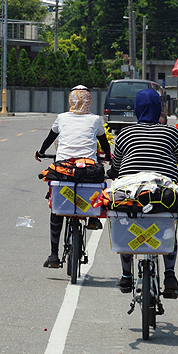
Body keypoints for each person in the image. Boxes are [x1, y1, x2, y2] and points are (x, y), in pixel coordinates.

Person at [109, 88, 178, 296]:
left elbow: (116, 165)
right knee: (169, 221)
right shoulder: (171, 132)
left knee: (124, 223)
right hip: (163, 192)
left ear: (136, 109)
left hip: (130, 193)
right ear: (159, 109)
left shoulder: (125, 133)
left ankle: (126, 276)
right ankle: (169, 274)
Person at [35, 85, 112, 269]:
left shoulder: (61, 118)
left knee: (56, 207)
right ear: (89, 100)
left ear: (71, 100)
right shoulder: (95, 120)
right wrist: (108, 157)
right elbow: (103, 143)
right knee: (100, 178)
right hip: (89, 170)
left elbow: (49, 137)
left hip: (63, 169)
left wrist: (41, 152)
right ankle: (93, 217)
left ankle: (54, 255)